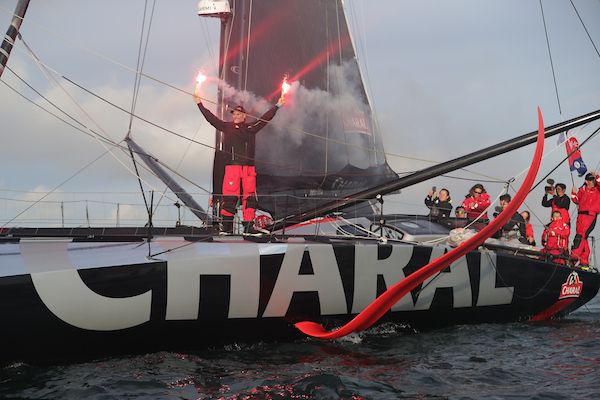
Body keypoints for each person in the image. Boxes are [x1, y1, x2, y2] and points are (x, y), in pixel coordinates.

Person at [194, 86, 285, 233]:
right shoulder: (226, 127)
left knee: (249, 199)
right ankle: (227, 228)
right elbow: (211, 118)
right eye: (234, 113)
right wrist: (199, 103)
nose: (235, 115)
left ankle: (248, 228)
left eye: (238, 114)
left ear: (244, 116)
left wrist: (278, 105)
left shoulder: (251, 128)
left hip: (248, 169)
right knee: (230, 197)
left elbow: (264, 119)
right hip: (232, 168)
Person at [570, 172, 600, 269]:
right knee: (583, 237)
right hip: (580, 216)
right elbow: (576, 200)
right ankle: (584, 261)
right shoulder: (582, 190)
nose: (592, 182)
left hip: (590, 215)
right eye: (591, 180)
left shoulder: (597, 190)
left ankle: (572, 259)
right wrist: (573, 193)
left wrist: (597, 176)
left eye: (593, 180)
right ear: (586, 181)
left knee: (580, 236)